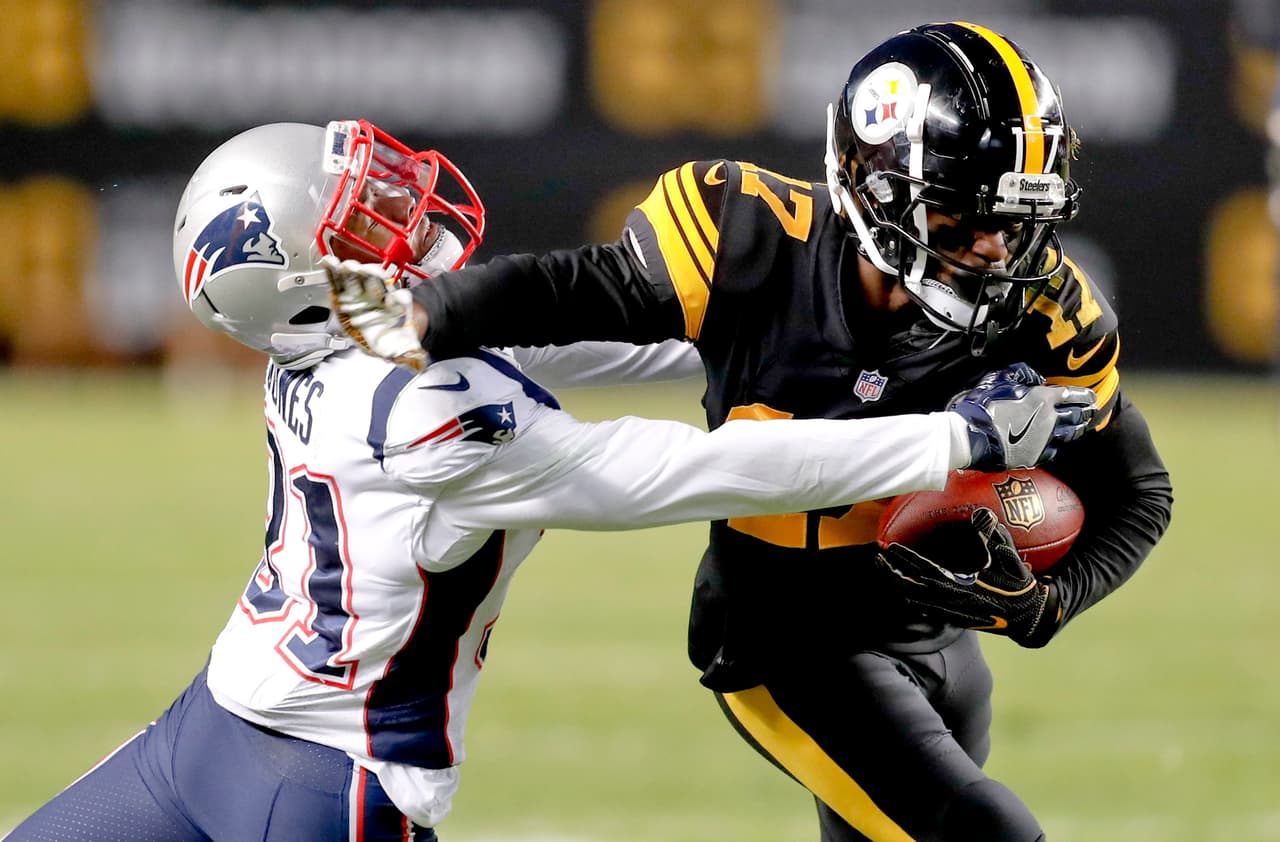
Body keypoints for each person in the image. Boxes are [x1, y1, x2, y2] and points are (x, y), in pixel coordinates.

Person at [4, 119, 1092, 842]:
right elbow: (683, 470)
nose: (401, 212)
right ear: (296, 288)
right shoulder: (415, 410)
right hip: (328, 785)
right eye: (361, 222)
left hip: (218, 716)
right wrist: (939, 441)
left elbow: (628, 338)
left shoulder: (335, 355)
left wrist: (824, 318)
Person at [327, 21, 1174, 842]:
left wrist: (1052, 602)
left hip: (941, 646)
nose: (997, 249)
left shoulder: (1046, 313)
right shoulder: (753, 237)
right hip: (789, 644)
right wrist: (426, 315)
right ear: (877, 188)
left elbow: (1138, 488)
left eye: (1016, 219)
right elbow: (570, 287)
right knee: (984, 830)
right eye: (964, 217)